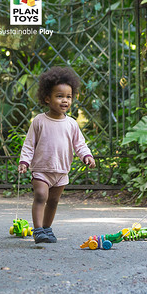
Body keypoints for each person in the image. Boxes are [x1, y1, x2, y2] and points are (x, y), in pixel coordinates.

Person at [18, 67, 96, 244]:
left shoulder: (71, 124)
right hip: (42, 170)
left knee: (53, 201)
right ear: (47, 98)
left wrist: (86, 156)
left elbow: (79, 144)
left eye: (68, 97)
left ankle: (47, 228)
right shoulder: (39, 121)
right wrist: (24, 161)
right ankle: (38, 230)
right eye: (59, 96)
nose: (65, 101)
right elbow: (29, 144)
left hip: (61, 171)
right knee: (41, 196)